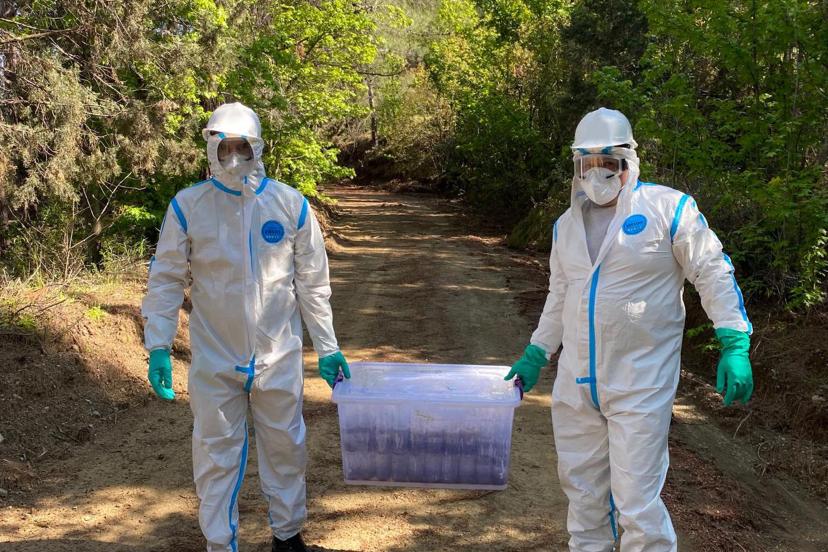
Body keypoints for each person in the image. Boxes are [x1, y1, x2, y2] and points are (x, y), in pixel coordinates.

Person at [505, 107, 753, 551]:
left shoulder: (667, 208)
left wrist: (733, 340)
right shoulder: (566, 226)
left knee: (637, 503)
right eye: (587, 163)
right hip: (576, 384)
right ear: (576, 165)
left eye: (608, 162)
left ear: (629, 161)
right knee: (583, 499)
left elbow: (712, 271)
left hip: (640, 381)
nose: (597, 173)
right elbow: (560, 296)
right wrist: (537, 353)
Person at [142, 102, 350, 552]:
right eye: (225, 148)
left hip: (277, 354)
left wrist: (328, 346)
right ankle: (220, 544)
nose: (233, 158)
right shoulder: (189, 206)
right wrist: (158, 344)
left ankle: (287, 536)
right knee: (214, 453)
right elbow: (166, 278)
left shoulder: (290, 205)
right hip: (215, 355)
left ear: (257, 147)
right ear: (211, 148)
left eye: (242, 148)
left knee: (286, 446)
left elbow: (313, 285)